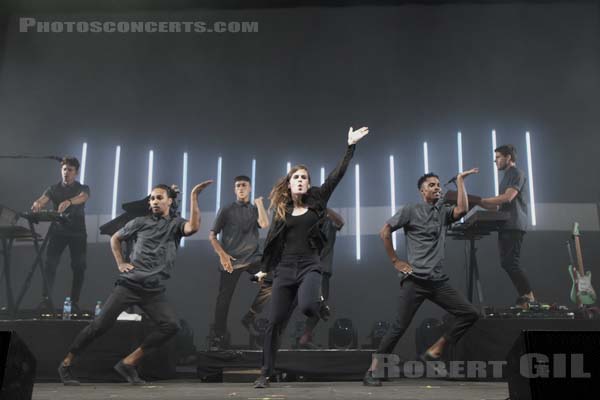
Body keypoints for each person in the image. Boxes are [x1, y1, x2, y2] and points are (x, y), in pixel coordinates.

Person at [57, 180, 213, 385]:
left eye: (159, 198)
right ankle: (66, 364)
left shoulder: (175, 225)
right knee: (99, 326)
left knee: (171, 325)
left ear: (170, 201)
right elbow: (115, 238)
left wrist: (194, 197)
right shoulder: (140, 222)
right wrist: (121, 262)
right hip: (129, 285)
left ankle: (128, 363)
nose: (155, 201)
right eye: (152, 198)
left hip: (153, 290)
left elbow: (193, 227)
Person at [253, 126, 369, 388]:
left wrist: (350, 147)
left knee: (307, 308)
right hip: (284, 269)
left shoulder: (317, 199)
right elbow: (272, 242)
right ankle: (265, 372)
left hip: (309, 266)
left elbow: (336, 176)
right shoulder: (281, 210)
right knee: (274, 323)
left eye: (305, 177)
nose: (302, 180)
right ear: (289, 182)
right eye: (297, 177)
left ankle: (318, 305)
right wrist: (264, 269)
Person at [363, 169, 480, 386]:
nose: (437, 188)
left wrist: (460, 181)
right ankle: (373, 370)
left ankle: (435, 350)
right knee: (399, 327)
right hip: (415, 280)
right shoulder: (411, 210)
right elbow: (385, 231)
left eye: (438, 185)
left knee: (470, 313)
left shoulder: (443, 212)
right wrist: (396, 261)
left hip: (438, 281)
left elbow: (463, 209)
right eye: (431, 185)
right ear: (422, 191)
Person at [208, 175, 271, 349]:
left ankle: (249, 317)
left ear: (249, 188)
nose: (241, 188)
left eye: (244, 185)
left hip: (253, 260)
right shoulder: (227, 209)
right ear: (234, 190)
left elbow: (264, 224)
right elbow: (212, 235)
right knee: (224, 300)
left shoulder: (254, 208)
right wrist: (222, 254)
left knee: (271, 282)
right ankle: (219, 335)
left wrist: (259, 203)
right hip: (232, 261)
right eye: (238, 186)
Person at [31, 157, 90, 312]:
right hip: (58, 232)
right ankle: (46, 300)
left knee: (79, 267)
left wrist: (69, 201)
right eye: (64, 169)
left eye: (70, 170)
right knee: (50, 264)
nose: (66, 172)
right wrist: (37, 204)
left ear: (76, 172)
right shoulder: (53, 188)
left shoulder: (83, 188)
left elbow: (83, 197)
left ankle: (74, 302)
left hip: (78, 233)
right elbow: (42, 199)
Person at [480, 144, 534, 307]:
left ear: (508, 157)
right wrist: (475, 203)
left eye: (498, 157)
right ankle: (526, 297)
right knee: (507, 263)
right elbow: (498, 205)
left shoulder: (517, 173)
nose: (495, 160)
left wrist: (481, 200)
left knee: (511, 262)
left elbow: (508, 197)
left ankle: (529, 298)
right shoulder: (506, 177)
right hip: (506, 224)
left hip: (514, 223)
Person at [297, 208, 344, 348]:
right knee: (315, 304)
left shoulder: (329, 222)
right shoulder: (306, 223)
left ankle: (306, 335)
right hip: (309, 269)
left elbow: (340, 222)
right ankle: (305, 336)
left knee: (319, 304)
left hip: (323, 269)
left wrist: (325, 208)